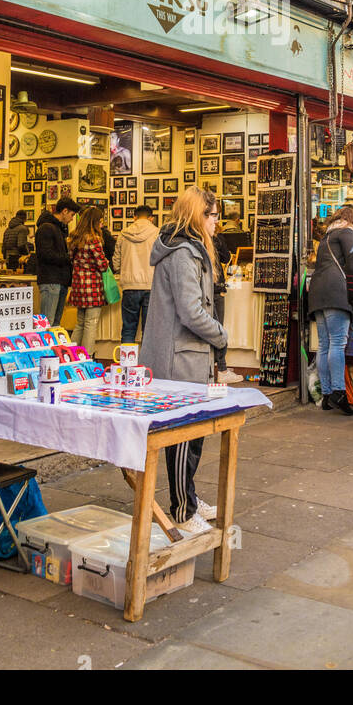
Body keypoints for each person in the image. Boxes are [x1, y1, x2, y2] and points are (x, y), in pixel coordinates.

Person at [140, 187, 228, 534]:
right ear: (197, 215)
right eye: (213, 216)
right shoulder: (182, 253)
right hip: (179, 358)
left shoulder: (189, 250)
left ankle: (188, 498)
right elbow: (191, 310)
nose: (217, 223)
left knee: (193, 438)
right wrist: (220, 335)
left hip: (191, 356)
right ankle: (181, 510)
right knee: (181, 438)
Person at [307, 205, 353, 415]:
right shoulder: (347, 232)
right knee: (338, 343)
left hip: (318, 292)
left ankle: (327, 394)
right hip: (336, 291)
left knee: (324, 344)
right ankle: (339, 391)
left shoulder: (326, 237)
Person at [112, 204, 159, 342]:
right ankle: (147, 362)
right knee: (148, 330)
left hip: (129, 286)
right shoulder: (157, 233)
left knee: (128, 329)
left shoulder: (123, 234)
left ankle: (127, 363)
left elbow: (116, 263)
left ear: (134, 217)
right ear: (151, 218)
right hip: (150, 285)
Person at [69, 204, 111, 355]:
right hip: (92, 287)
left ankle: (71, 354)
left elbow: (71, 260)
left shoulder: (75, 238)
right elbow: (102, 264)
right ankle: (86, 357)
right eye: (100, 221)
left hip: (78, 286)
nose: (102, 224)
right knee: (91, 324)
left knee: (80, 323)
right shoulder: (94, 239)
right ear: (94, 222)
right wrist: (106, 262)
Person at [36, 197, 80, 327]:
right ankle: (45, 346)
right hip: (51, 280)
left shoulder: (57, 229)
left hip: (59, 280)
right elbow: (45, 254)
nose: (72, 219)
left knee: (55, 324)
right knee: (47, 323)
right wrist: (69, 257)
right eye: (72, 215)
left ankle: (53, 346)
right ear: (65, 211)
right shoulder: (46, 228)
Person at [212, 229, 243, 385]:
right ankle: (222, 370)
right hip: (216, 288)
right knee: (218, 331)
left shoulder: (192, 238)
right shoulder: (215, 238)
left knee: (207, 330)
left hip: (201, 289)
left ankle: (211, 369)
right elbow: (226, 258)